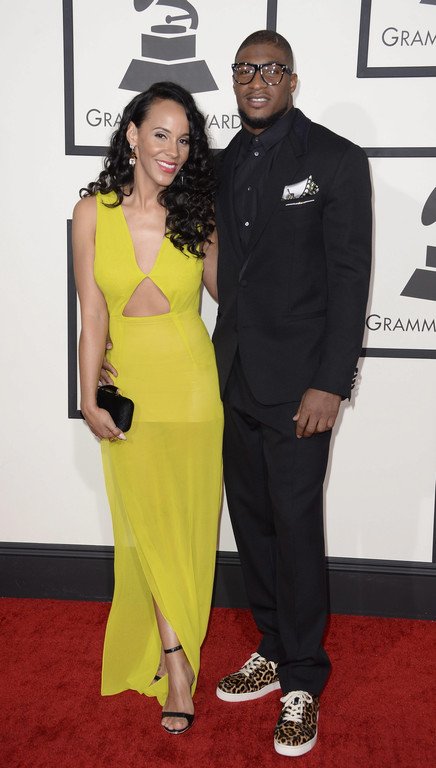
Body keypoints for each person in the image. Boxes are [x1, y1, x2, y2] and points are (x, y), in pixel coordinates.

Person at [212, 30, 372, 757]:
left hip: (302, 389)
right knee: (253, 524)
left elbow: (349, 277)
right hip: (235, 379)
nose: (257, 80)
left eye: (271, 69)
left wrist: (330, 384)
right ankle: (273, 646)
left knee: (297, 527)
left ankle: (304, 678)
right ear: (234, 79)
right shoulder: (223, 164)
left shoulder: (335, 159)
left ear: (293, 81)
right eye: (246, 69)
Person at [72, 82, 223, 736]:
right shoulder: (91, 213)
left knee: (181, 527)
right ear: (131, 135)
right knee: (146, 529)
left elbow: (232, 294)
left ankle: (177, 663)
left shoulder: (199, 214)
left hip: (191, 390)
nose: (173, 149)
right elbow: (93, 314)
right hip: (130, 390)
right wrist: (86, 394)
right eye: (161, 134)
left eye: (185, 139)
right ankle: (173, 656)